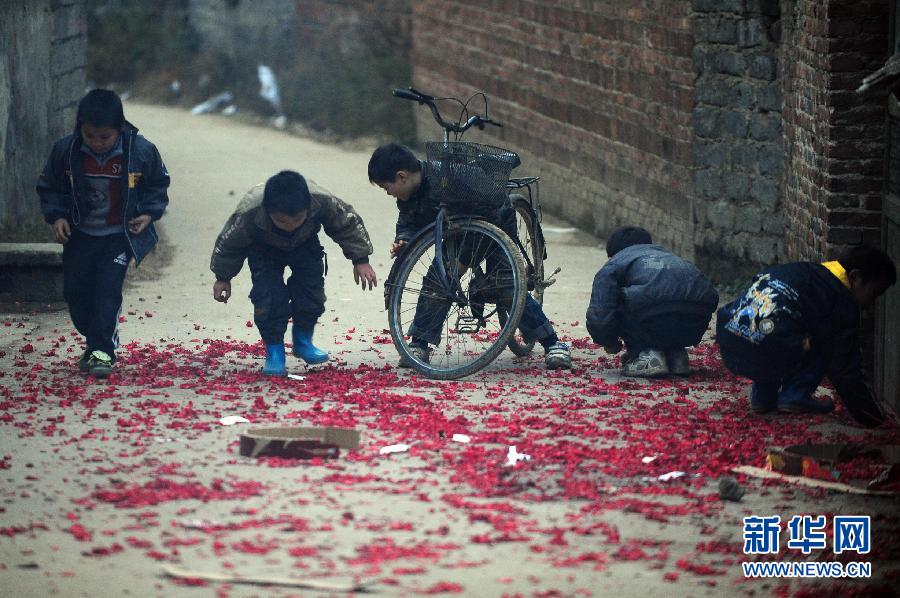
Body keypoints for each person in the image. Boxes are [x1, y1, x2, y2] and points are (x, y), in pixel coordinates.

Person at [367, 142, 571, 370]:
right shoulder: (409, 196)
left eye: (387, 187)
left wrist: (464, 260)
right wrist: (403, 239)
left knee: (506, 286)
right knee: (438, 282)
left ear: (401, 177)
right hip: (457, 233)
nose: (389, 193)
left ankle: (553, 343)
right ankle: (420, 344)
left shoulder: (453, 179)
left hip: (494, 225)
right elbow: (408, 221)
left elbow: (491, 215)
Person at [36, 89, 170, 379]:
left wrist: (148, 213)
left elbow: (158, 184)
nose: (97, 144)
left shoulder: (140, 152)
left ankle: (102, 351)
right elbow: (49, 186)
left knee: (107, 293)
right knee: (76, 293)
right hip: (80, 235)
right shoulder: (66, 151)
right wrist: (57, 216)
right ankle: (96, 339)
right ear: (79, 129)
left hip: (117, 237)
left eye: (105, 137)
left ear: (120, 129)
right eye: (90, 136)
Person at [210, 170, 376, 376]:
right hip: (264, 250)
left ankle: (303, 340)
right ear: (268, 211)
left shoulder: (321, 199)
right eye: (281, 221)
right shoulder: (249, 211)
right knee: (268, 298)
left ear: (308, 207)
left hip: (305, 245)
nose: (289, 226)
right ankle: (274, 351)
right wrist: (223, 277)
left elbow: (346, 224)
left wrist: (360, 259)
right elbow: (229, 245)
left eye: (297, 219)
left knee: (311, 293)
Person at [716, 245, 895, 427]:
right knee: (823, 339)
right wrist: (872, 417)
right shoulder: (842, 301)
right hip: (768, 347)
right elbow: (844, 368)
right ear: (855, 277)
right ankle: (795, 394)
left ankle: (763, 398)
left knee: (776, 328)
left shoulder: (796, 270)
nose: (872, 304)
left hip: (729, 341)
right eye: (874, 294)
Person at [585, 226, 719, 377]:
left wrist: (609, 342)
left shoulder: (615, 263)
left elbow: (600, 315)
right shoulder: (674, 258)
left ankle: (648, 355)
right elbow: (710, 294)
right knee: (667, 307)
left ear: (613, 253)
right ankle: (676, 356)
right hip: (695, 324)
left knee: (615, 300)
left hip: (651, 319)